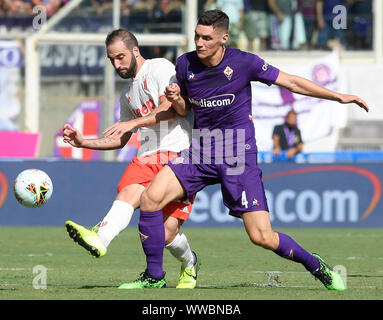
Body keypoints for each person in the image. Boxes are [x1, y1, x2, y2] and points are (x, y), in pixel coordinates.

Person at [128, 9, 368, 291]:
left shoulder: (244, 63)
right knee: (150, 199)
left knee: (261, 236)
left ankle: (315, 265)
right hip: (200, 152)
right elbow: (183, 110)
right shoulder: (185, 64)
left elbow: (290, 81)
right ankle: (154, 276)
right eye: (197, 36)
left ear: (223, 38)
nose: (200, 43)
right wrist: (177, 98)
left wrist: (337, 96)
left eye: (207, 38)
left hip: (237, 156)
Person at [63, 29, 200, 289]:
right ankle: (101, 238)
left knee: (167, 234)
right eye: (112, 60)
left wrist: (132, 123)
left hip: (180, 154)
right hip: (148, 156)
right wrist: (84, 142)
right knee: (127, 191)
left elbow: (170, 110)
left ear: (135, 51)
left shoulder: (160, 68)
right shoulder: (127, 94)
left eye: (121, 57)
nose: (117, 64)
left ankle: (190, 262)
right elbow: (121, 138)